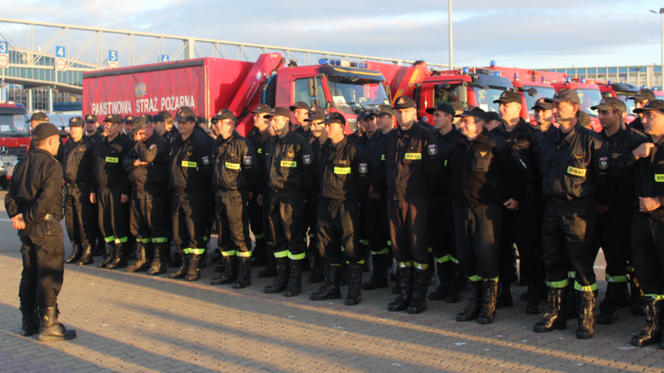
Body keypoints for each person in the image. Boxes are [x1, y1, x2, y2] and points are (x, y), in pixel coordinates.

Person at [534, 88, 610, 340]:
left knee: (581, 265)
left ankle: (586, 318)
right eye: (553, 106)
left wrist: (595, 203)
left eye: (559, 105)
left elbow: (604, 180)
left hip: (578, 211)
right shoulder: (548, 139)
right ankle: (556, 313)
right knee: (553, 262)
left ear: (574, 108)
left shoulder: (591, 140)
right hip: (552, 209)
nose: (555, 110)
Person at [448, 106, 528, 324]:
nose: (462, 124)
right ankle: (473, 302)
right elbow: (450, 177)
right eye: (461, 120)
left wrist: (516, 197)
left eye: (467, 121)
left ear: (480, 124)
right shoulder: (458, 146)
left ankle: (488, 305)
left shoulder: (496, 145)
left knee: (487, 258)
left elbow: (520, 172)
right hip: (462, 210)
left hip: (487, 211)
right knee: (465, 257)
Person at [5, 122, 77, 342]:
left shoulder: (22, 164)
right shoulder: (52, 165)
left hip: (27, 228)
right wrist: (26, 217)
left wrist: (17, 216)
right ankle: (49, 324)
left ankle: (29, 322)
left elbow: (10, 196)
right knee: (49, 275)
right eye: (59, 140)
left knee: (30, 274)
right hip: (45, 227)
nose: (60, 143)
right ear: (52, 141)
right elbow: (46, 200)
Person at [612, 100, 664, 348]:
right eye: (643, 116)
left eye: (651, 115)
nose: (644, 120)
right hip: (642, 222)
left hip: (662, 220)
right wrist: (634, 154)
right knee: (647, 275)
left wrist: (659, 201)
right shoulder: (640, 145)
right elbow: (615, 171)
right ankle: (653, 325)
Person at [588, 97, 642, 325]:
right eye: (598, 112)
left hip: (619, 211)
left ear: (619, 114)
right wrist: (595, 202)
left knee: (616, 259)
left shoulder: (633, 142)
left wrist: (607, 201)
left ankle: (612, 302)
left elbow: (631, 180)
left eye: (605, 112)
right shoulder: (593, 140)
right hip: (594, 208)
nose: (600, 117)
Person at [492, 90, 547, 314]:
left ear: (518, 107)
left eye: (506, 105)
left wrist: (522, 198)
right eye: (500, 104)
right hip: (500, 202)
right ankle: (504, 292)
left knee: (529, 250)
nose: (501, 108)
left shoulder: (531, 135)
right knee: (502, 250)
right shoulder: (494, 134)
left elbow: (538, 172)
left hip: (525, 204)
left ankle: (535, 293)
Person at [309, 112, 370, 305]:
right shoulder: (322, 150)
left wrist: (354, 200)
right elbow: (316, 177)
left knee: (351, 248)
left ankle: (353, 290)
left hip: (346, 206)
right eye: (326, 125)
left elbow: (363, 181)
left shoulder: (354, 151)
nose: (327, 128)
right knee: (326, 248)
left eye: (331, 125)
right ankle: (331, 287)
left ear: (342, 127)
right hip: (325, 206)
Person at [384, 96, 438, 314]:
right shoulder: (390, 137)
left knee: (418, 248)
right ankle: (405, 292)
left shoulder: (425, 136)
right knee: (400, 248)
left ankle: (419, 295)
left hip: (416, 201)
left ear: (414, 112)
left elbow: (432, 173)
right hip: (394, 200)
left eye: (406, 111)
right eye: (399, 111)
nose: (402, 114)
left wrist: (423, 198)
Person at [262, 107, 315, 297]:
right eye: (270, 120)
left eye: (275, 120)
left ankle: (294, 281)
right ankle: (281, 277)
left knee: (294, 238)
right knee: (277, 238)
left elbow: (308, 172)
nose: (272, 123)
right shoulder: (271, 142)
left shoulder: (299, 143)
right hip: (274, 196)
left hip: (292, 197)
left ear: (286, 120)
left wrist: (302, 192)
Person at [208, 110, 260, 288]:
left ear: (232, 124)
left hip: (235, 196)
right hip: (219, 195)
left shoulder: (242, 144)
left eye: (223, 122)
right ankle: (229, 272)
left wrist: (250, 190)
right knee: (223, 237)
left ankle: (244, 275)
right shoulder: (217, 144)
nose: (219, 125)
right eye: (217, 122)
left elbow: (252, 172)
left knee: (239, 236)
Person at [425, 103, 464, 303]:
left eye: (438, 115)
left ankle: (457, 285)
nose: (434, 118)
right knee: (439, 244)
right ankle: (444, 282)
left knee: (454, 243)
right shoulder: (432, 139)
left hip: (452, 199)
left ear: (450, 117)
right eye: (434, 115)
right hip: (433, 199)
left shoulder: (460, 141)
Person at [122, 115, 171, 275]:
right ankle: (143, 259)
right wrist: (134, 163)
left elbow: (148, 156)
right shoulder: (139, 144)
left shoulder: (159, 142)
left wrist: (138, 145)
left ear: (148, 128)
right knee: (138, 227)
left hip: (153, 191)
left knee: (155, 226)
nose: (137, 136)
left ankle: (159, 261)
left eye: (140, 133)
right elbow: (126, 161)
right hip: (137, 189)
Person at [168, 107, 212, 281]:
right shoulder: (175, 141)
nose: (180, 125)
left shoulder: (199, 143)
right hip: (177, 194)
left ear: (193, 123)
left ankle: (194, 266)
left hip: (194, 194)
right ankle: (185, 263)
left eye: (184, 122)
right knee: (179, 233)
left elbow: (206, 171)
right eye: (179, 121)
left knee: (194, 232)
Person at [91, 114, 133, 269]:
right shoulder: (102, 143)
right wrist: (93, 189)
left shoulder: (124, 144)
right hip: (102, 190)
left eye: (112, 124)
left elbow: (126, 171)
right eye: (106, 124)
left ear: (120, 126)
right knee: (104, 224)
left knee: (118, 224)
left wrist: (124, 192)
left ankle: (120, 256)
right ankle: (110, 253)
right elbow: (95, 169)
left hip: (116, 191)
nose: (108, 127)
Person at [362, 105, 394, 291]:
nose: (378, 120)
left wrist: (377, 186)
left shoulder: (396, 138)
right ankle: (379, 274)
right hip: (371, 196)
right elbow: (366, 165)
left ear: (392, 118)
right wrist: (368, 186)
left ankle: (397, 271)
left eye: (382, 116)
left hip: (386, 196)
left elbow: (390, 168)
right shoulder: (374, 140)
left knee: (392, 237)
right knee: (375, 237)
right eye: (377, 117)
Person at [62, 116, 98, 266]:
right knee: (71, 223)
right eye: (71, 127)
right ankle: (76, 249)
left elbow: (94, 169)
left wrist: (92, 189)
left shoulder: (89, 145)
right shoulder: (67, 145)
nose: (73, 130)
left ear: (82, 128)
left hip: (83, 189)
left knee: (85, 222)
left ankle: (87, 251)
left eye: (76, 127)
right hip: (69, 189)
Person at [245, 105, 272, 268]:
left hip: (266, 187)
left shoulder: (270, 138)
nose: (255, 118)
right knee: (255, 221)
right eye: (255, 115)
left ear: (267, 119)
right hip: (253, 187)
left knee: (266, 222)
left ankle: (267, 252)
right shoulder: (251, 136)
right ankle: (260, 247)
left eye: (259, 116)